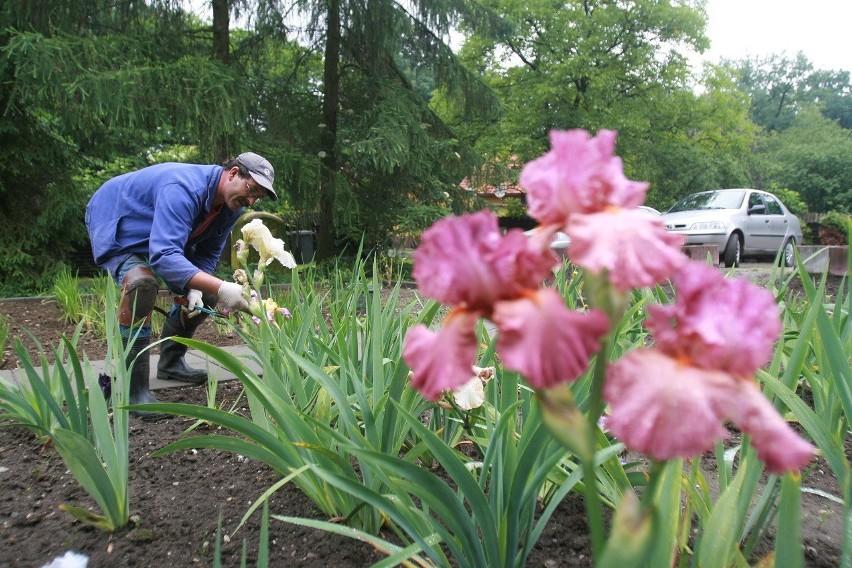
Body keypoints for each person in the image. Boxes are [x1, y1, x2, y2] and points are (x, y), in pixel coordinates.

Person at [85, 152, 277, 421]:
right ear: (233, 173)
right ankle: (135, 391)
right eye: (251, 189)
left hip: (159, 238)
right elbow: (163, 255)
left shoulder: (231, 209)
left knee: (207, 294)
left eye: (257, 196)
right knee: (140, 284)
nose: (251, 199)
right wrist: (224, 287)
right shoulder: (183, 187)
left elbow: (208, 254)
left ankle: (171, 363)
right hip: (118, 223)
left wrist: (198, 289)